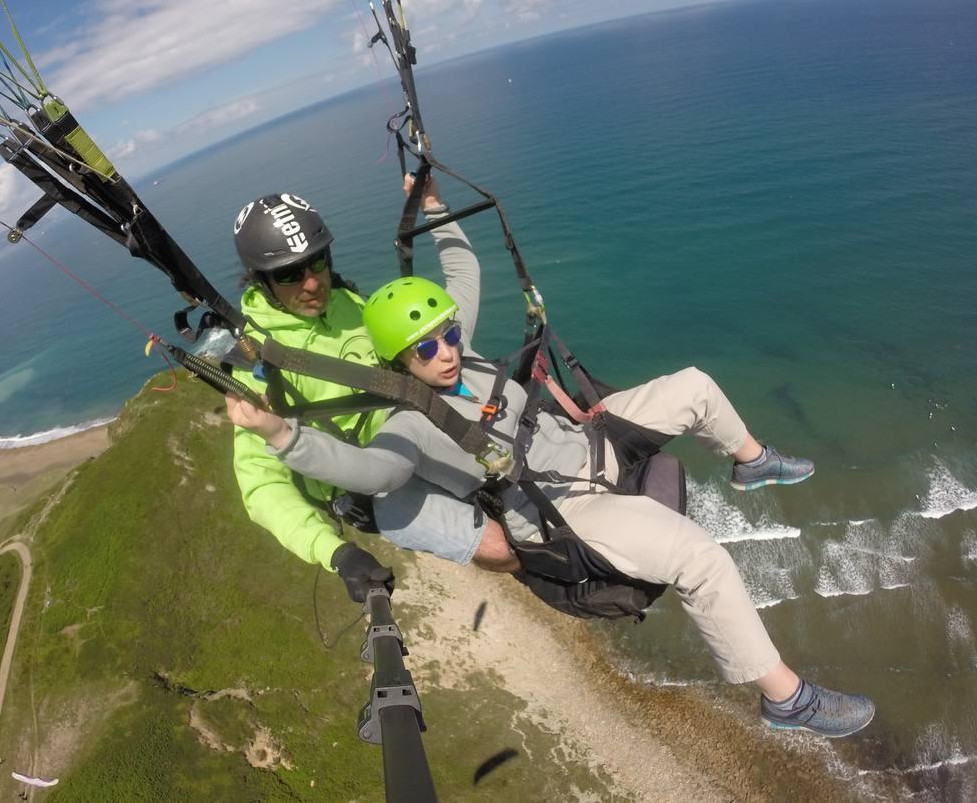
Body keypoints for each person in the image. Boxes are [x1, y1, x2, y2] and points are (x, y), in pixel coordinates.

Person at [227, 178, 875, 738]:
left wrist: (435, 206)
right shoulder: (406, 417)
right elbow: (378, 473)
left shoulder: (420, 334)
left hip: (584, 442)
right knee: (700, 558)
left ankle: (752, 461)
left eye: (450, 335)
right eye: (428, 349)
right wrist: (288, 442)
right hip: (561, 500)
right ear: (397, 365)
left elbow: (462, 279)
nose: (446, 352)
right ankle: (785, 697)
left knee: (696, 388)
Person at [229, 189, 524, 604]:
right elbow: (260, 485)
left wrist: (431, 205)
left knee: (524, 475)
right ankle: (540, 579)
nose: (313, 283)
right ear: (261, 279)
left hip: (419, 425)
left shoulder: (348, 302)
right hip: (373, 483)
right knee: (500, 546)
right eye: (290, 274)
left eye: (317, 262)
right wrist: (335, 551)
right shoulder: (260, 366)